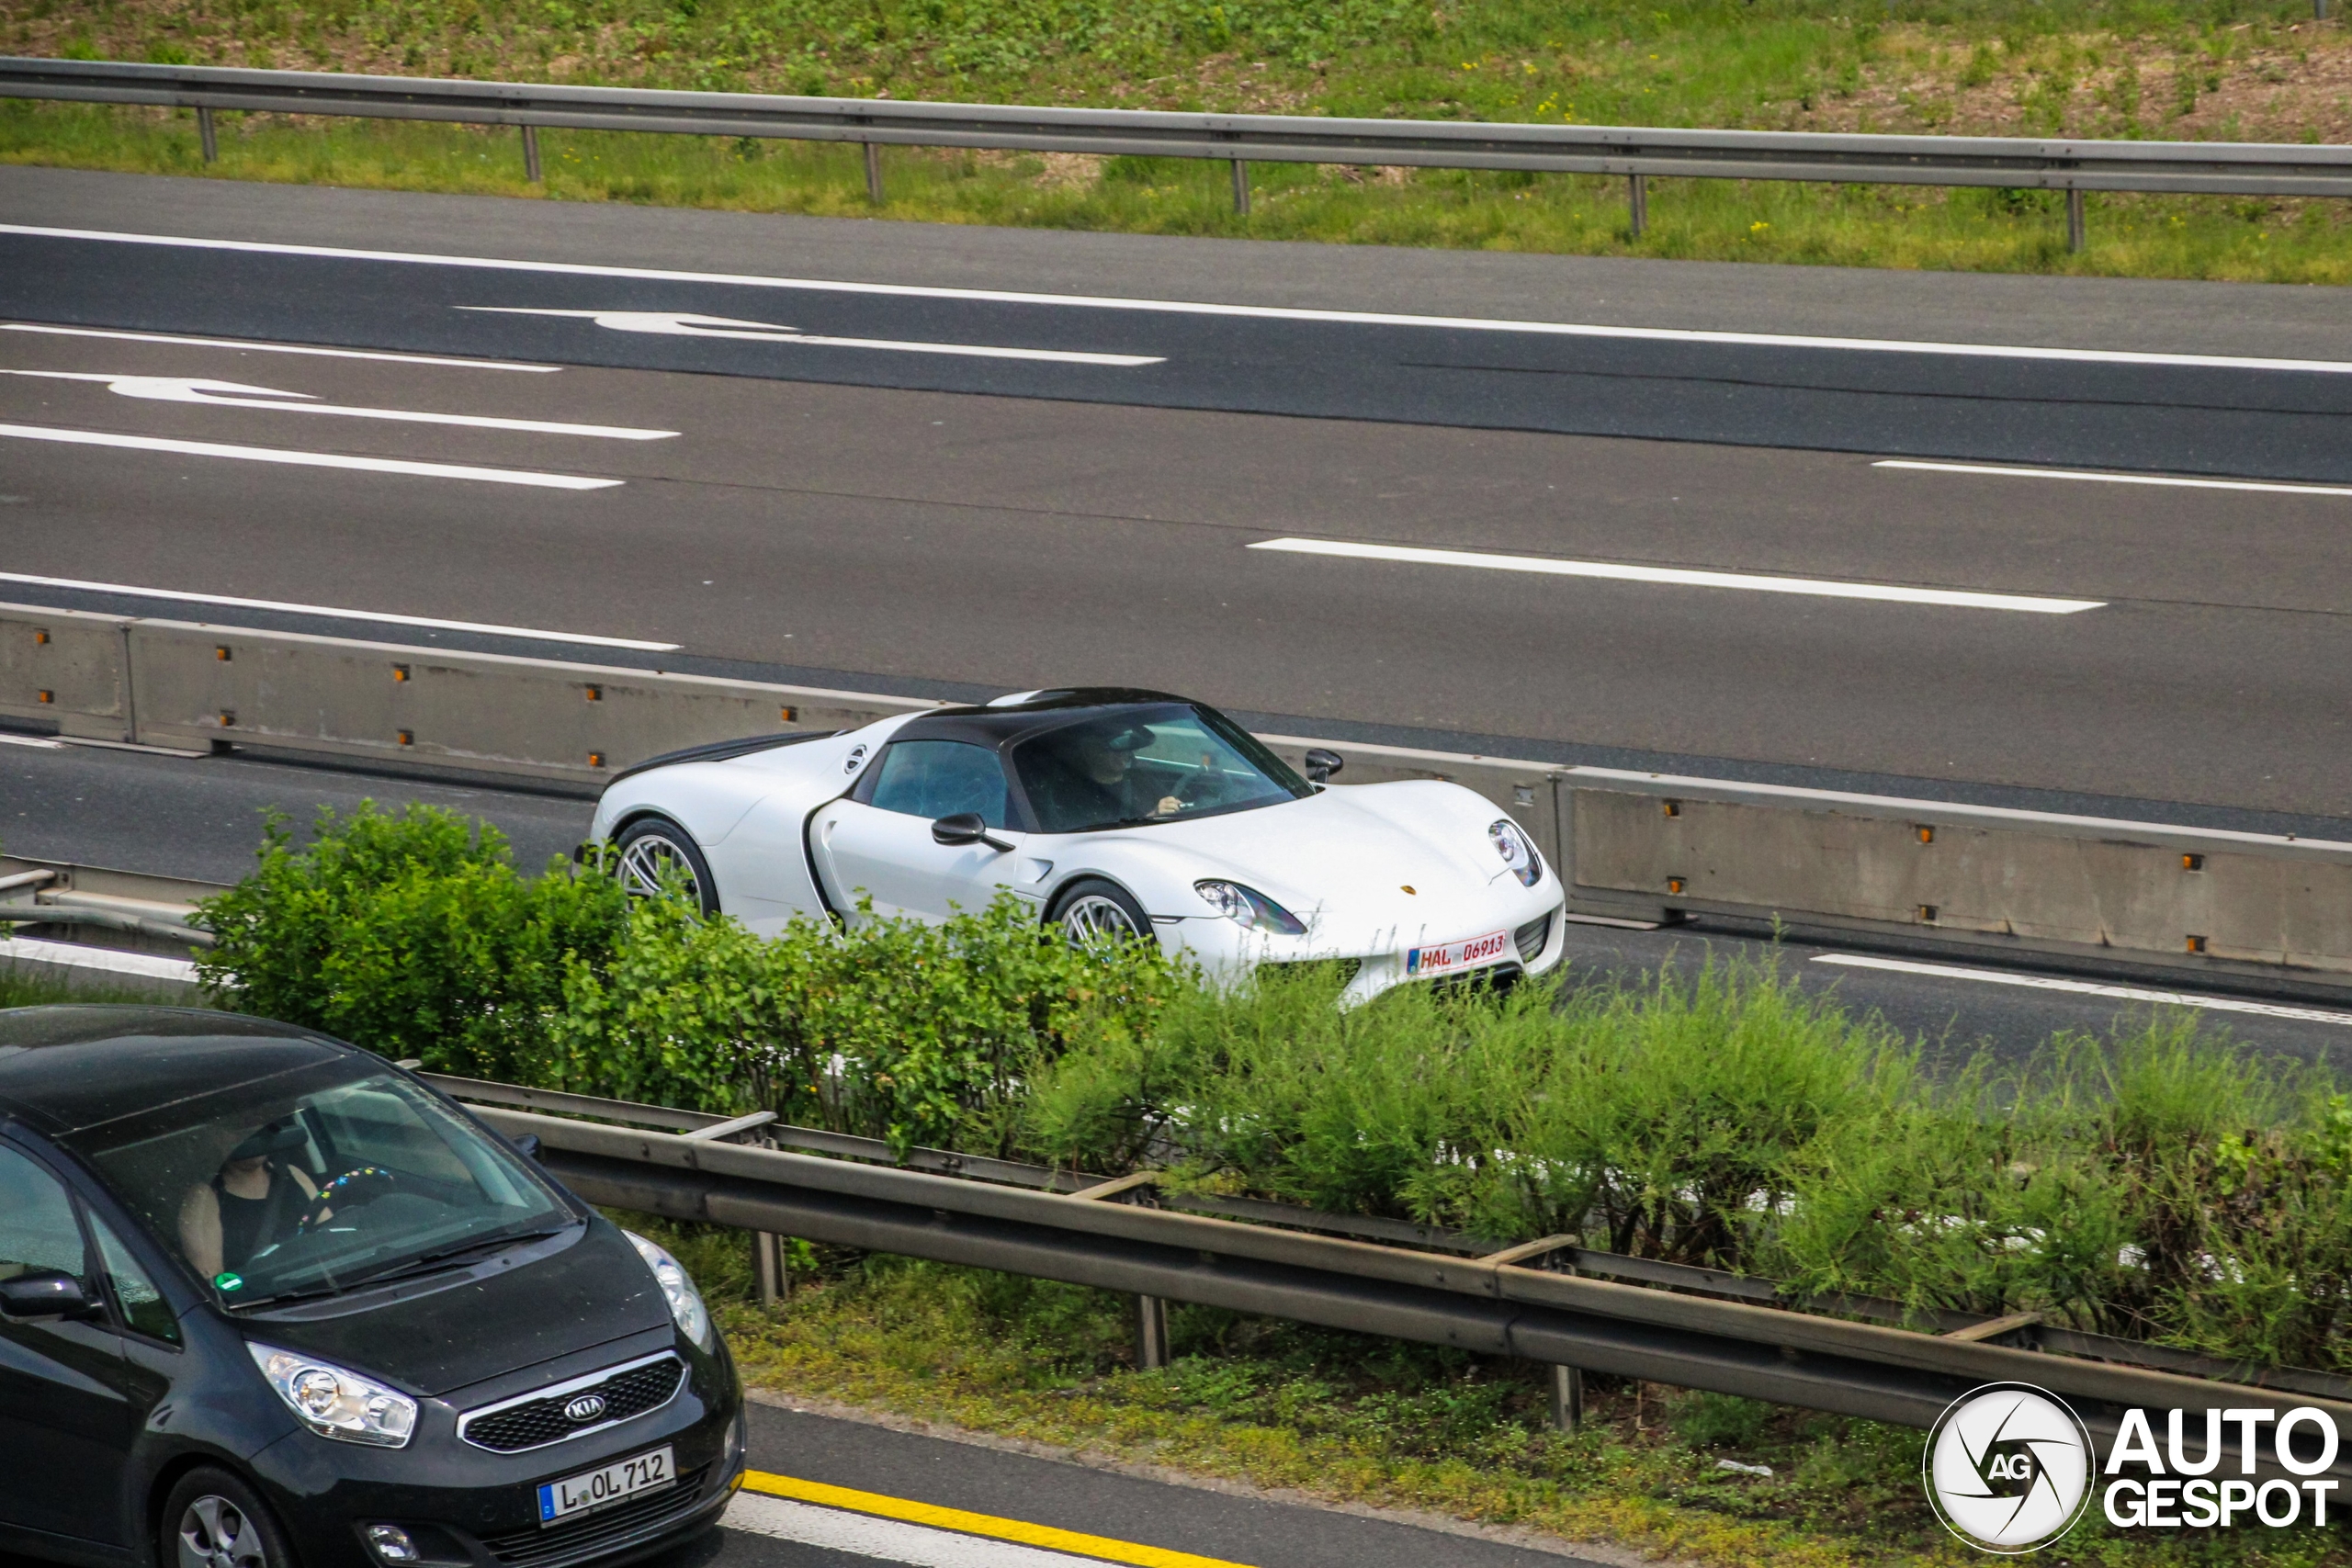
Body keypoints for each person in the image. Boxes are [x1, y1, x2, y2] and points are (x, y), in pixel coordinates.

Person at [179, 1119, 322, 1280]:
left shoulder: (293, 1175)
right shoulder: (204, 1197)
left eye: (256, 1127)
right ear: (216, 1137)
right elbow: (212, 1280)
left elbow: (332, 1234)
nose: (252, 1134)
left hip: (317, 1280)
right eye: (238, 1129)